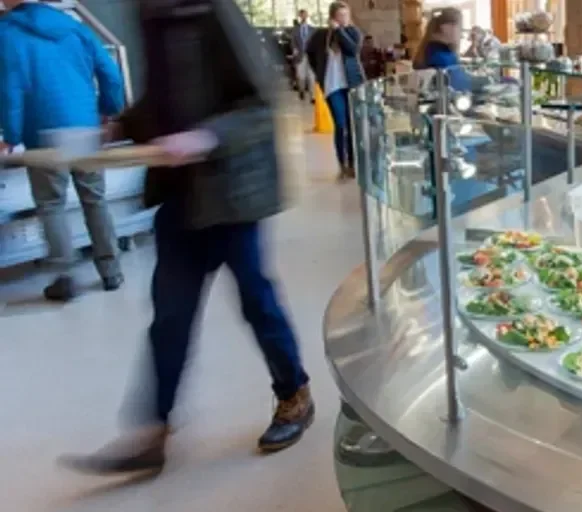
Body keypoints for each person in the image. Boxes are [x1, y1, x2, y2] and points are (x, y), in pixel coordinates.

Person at [62, 0, 314, 474]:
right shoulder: (151, 14)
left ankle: (294, 393)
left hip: (233, 192)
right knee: (170, 314)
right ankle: (152, 431)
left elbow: (262, 103)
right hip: (180, 194)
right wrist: (123, 125)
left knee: (256, 301)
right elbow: (166, 99)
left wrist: (205, 137)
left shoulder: (214, 10)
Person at [0, 0, 126, 301]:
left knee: (51, 204)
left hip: (42, 131)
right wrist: (110, 110)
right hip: (84, 126)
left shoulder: (6, 33)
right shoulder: (73, 25)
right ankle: (111, 271)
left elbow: (10, 90)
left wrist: (11, 136)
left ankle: (65, 277)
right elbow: (110, 72)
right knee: (95, 200)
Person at [305, 1, 364, 181]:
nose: (343, 18)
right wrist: (319, 74)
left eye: (346, 15)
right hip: (332, 86)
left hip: (352, 84)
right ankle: (342, 164)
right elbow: (310, 53)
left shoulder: (353, 32)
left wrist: (339, 30)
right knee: (340, 123)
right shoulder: (321, 36)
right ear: (332, 17)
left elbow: (352, 50)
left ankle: (353, 163)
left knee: (352, 124)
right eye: (340, 15)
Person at [412, 7, 471, 91]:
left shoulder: (434, 49)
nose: (460, 33)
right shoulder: (440, 56)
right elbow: (459, 85)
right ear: (445, 27)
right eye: (459, 27)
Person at [291, 9, 314, 101]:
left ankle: (312, 96)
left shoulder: (313, 29)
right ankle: (301, 90)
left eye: (305, 15)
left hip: (311, 55)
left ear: (307, 16)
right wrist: (294, 49)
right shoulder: (295, 30)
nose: (304, 17)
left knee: (311, 76)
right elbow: (293, 41)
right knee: (301, 76)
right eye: (302, 15)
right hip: (300, 55)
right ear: (299, 16)